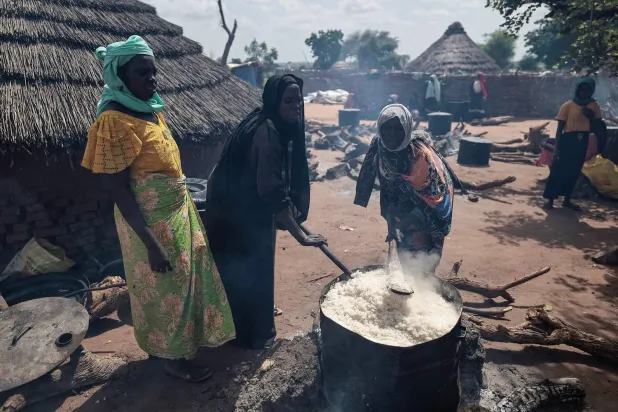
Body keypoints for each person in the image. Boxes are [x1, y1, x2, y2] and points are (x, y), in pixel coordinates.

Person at [81, 35, 235, 382]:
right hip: (148, 222)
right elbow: (117, 188)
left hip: (175, 214)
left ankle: (180, 344)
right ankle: (172, 358)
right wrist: (151, 243)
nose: (151, 79)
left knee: (181, 284)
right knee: (167, 289)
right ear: (122, 77)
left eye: (153, 72)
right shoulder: (115, 121)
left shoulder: (150, 110)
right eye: (142, 73)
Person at [205, 74, 327, 349]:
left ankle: (236, 334)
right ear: (275, 101)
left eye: (299, 100)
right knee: (250, 274)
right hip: (240, 217)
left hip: (233, 210)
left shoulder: (260, 119)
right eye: (289, 101)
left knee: (240, 274)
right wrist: (301, 236)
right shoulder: (267, 133)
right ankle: (255, 338)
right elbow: (272, 193)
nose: (296, 106)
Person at [354, 104, 454, 271]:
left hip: (428, 213)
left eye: (398, 129)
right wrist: (393, 219)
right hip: (397, 206)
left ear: (407, 128)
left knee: (421, 255)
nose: (391, 134)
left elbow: (434, 200)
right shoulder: (379, 145)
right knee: (399, 248)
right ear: (380, 128)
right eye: (387, 128)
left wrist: (405, 222)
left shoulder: (420, 156)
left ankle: (423, 282)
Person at [543, 77, 603, 211]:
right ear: (577, 89)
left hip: (582, 140)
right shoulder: (568, 105)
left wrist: (591, 117)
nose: (584, 92)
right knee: (558, 170)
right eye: (581, 89)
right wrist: (557, 148)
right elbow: (559, 130)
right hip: (567, 140)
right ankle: (550, 200)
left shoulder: (593, 105)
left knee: (574, 170)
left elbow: (598, 126)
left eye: (587, 90)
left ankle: (567, 200)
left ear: (591, 91)